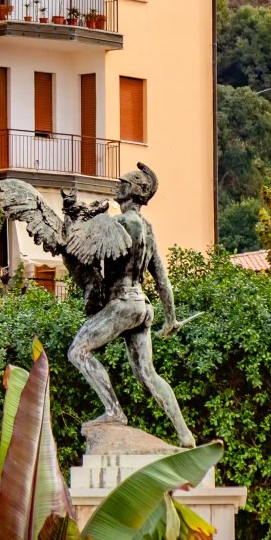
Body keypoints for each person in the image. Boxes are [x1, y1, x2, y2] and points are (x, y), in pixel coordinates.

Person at [67, 163, 195, 447]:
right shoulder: (147, 228)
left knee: (78, 351)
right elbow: (161, 278)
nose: (116, 185)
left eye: (121, 183)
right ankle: (184, 434)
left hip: (122, 304)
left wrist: (72, 220)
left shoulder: (121, 223)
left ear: (133, 190)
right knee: (148, 374)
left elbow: (81, 248)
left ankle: (114, 411)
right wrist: (170, 318)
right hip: (142, 306)